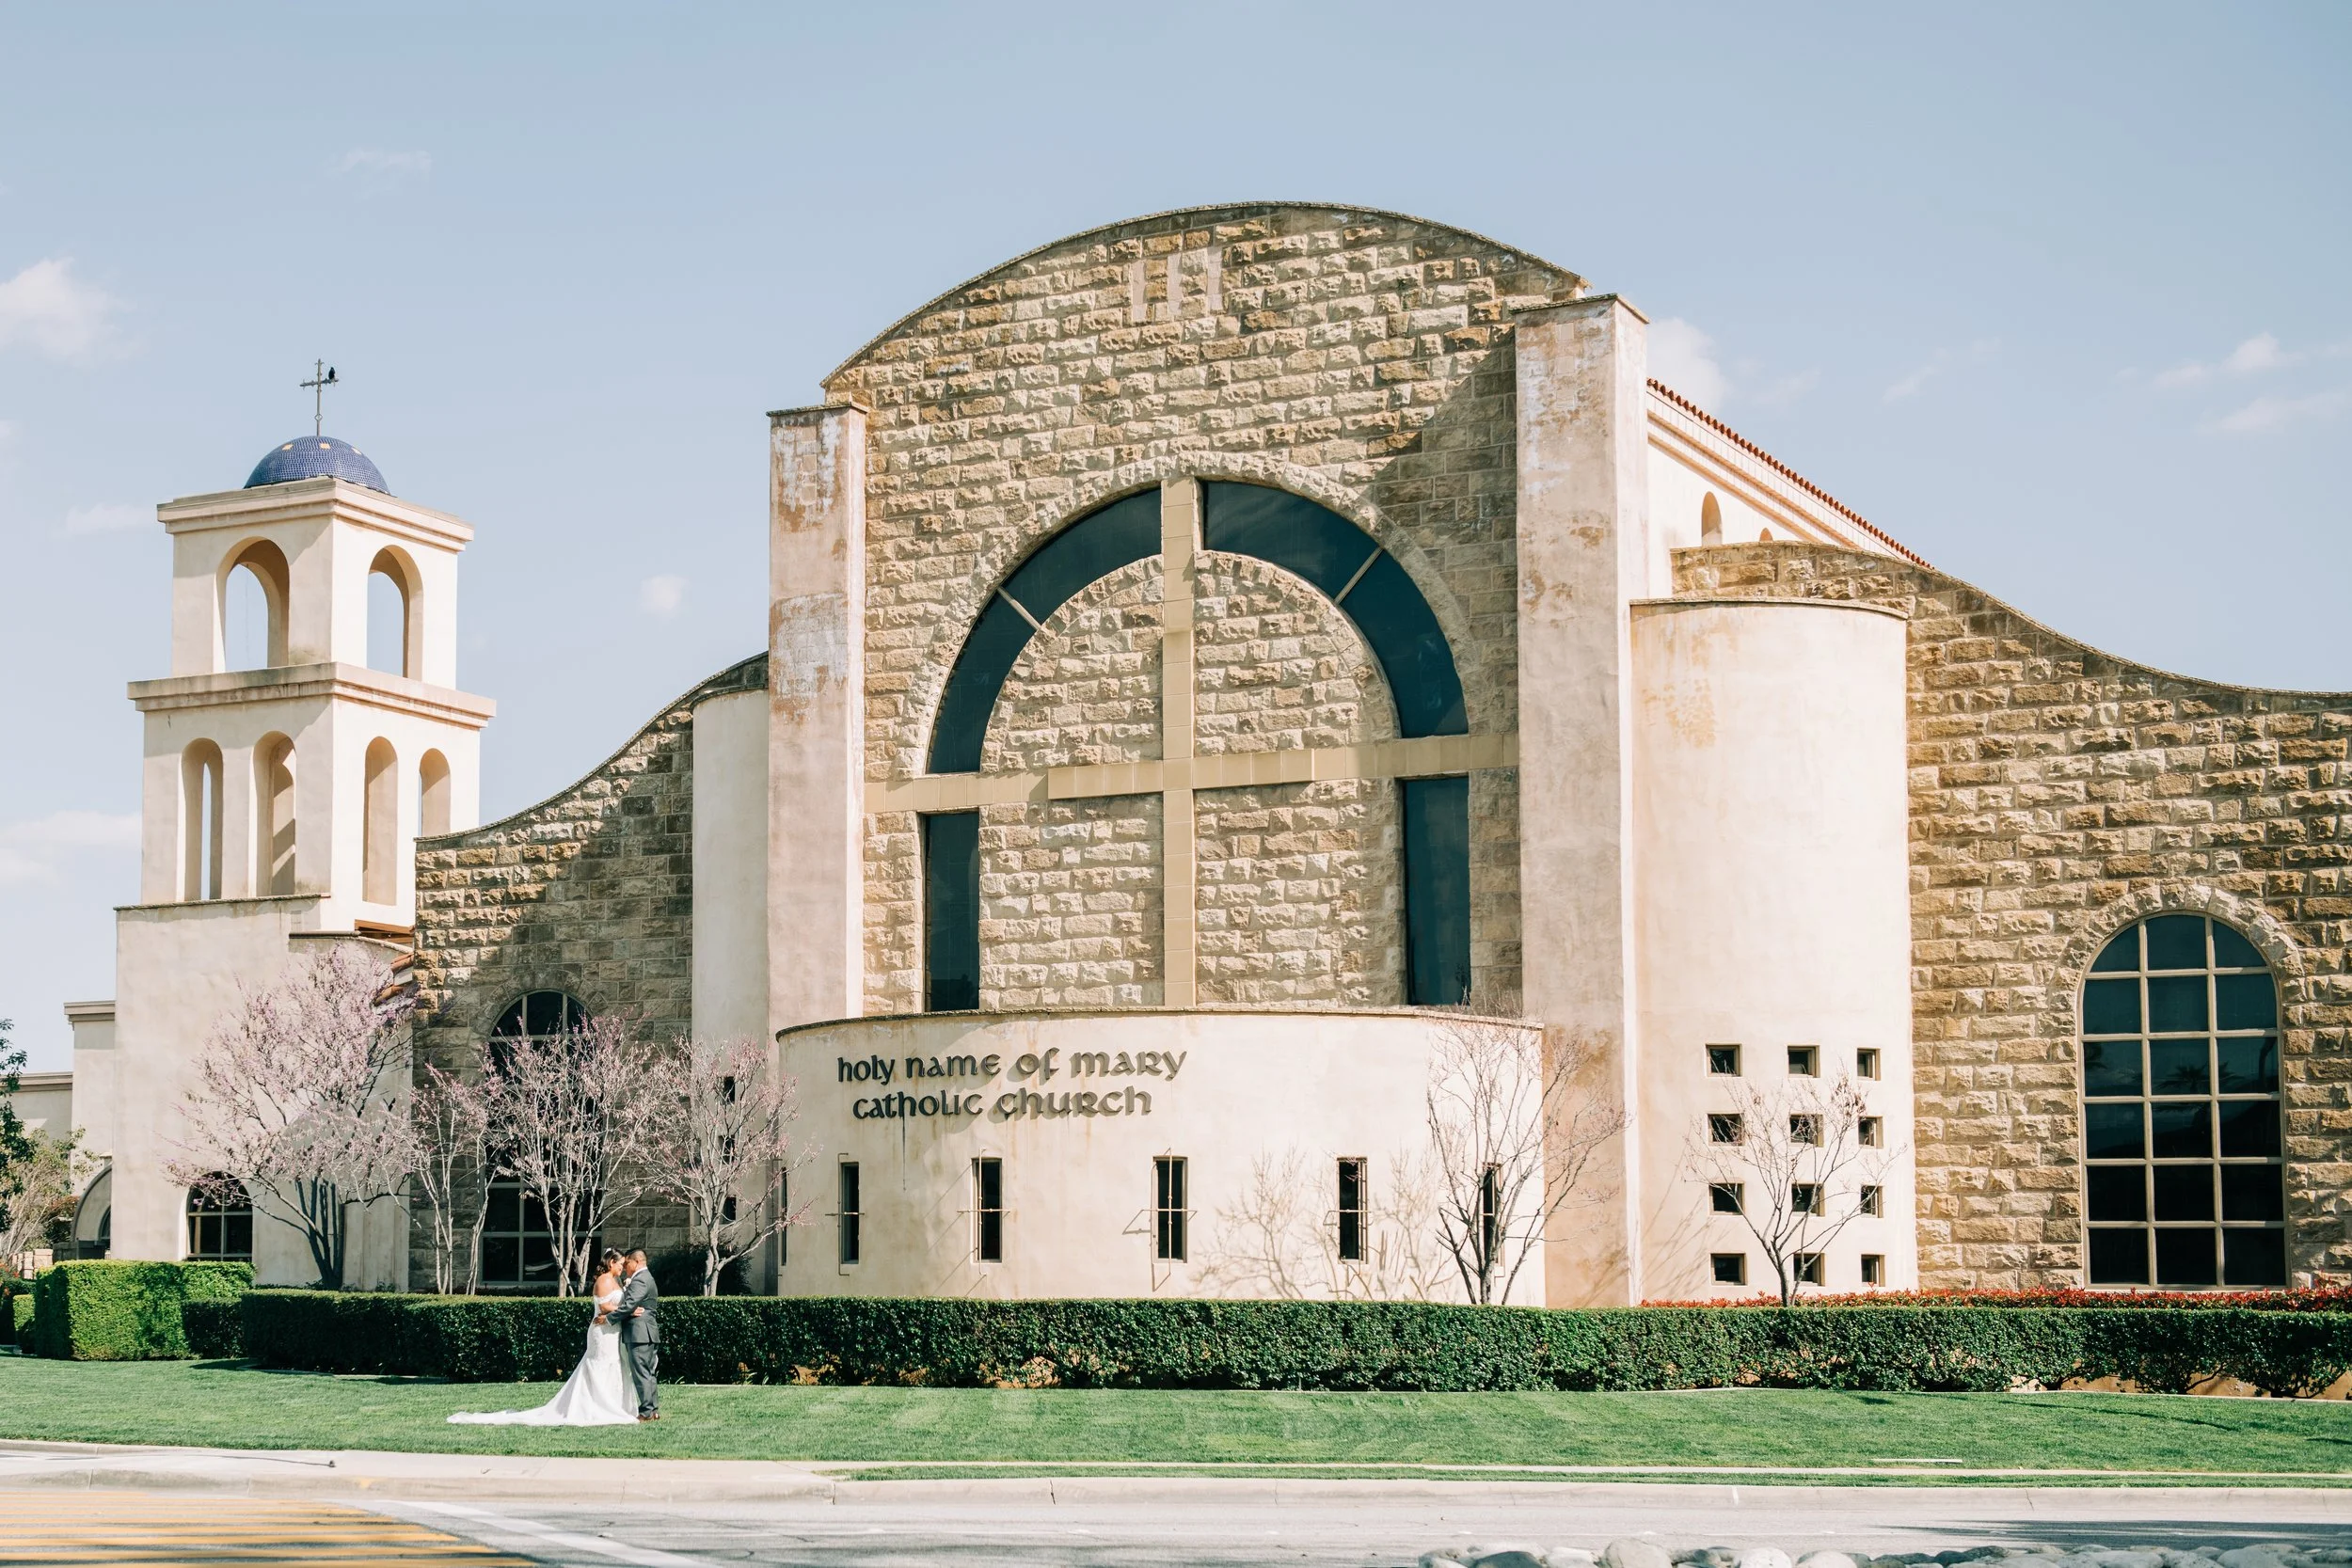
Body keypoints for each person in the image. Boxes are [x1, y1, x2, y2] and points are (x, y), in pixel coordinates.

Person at [447, 1248, 638, 1426]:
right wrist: (628, 1310)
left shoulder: (616, 1281)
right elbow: (604, 1307)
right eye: (620, 1264)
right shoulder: (604, 1280)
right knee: (601, 1364)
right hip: (602, 1333)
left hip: (613, 1331)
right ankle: (596, 1407)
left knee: (614, 1364)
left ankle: (612, 1405)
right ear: (611, 1263)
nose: (622, 1268)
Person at [615, 1246, 660, 1421]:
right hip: (647, 1332)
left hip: (639, 1333)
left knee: (641, 1373)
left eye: (627, 1263)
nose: (625, 1267)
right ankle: (653, 1410)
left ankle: (646, 1412)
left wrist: (608, 1318)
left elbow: (629, 1305)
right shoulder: (647, 1277)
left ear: (637, 1262)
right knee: (648, 1372)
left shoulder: (640, 1279)